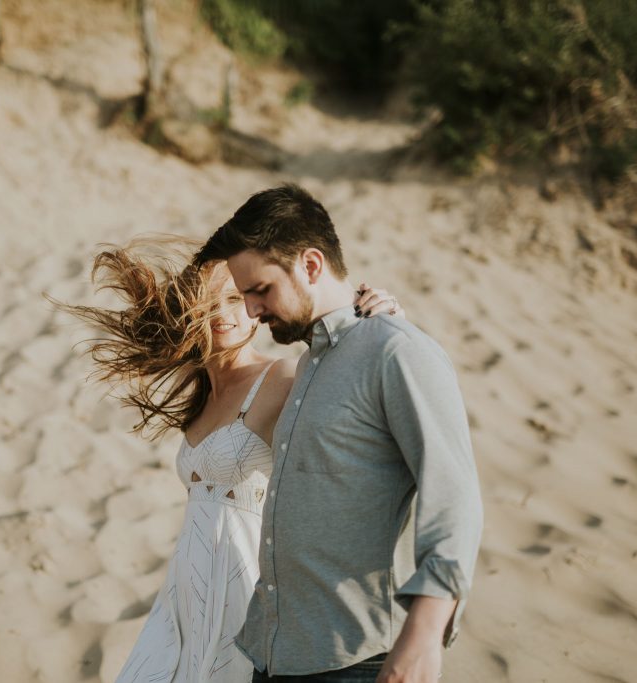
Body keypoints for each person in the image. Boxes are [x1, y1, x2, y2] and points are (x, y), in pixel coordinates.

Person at [55, 237, 403, 683]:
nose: (224, 312)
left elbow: (350, 407)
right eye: (208, 301)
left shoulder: (280, 376)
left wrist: (382, 324)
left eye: (236, 298)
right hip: (185, 587)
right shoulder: (200, 395)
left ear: (256, 309)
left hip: (243, 584)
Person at [193, 184, 484, 683]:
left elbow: (455, 499)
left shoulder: (397, 352)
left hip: (356, 660)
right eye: (244, 297)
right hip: (271, 651)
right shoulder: (307, 363)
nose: (252, 311)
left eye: (260, 291)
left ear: (310, 265)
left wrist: (424, 637)